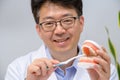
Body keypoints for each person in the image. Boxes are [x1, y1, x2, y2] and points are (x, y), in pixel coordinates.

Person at [5, 0, 118, 80]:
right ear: (39, 30)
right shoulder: (17, 69)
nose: (59, 31)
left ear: (81, 23)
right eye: (49, 23)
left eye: (67, 20)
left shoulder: (106, 72)